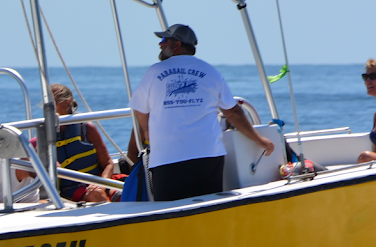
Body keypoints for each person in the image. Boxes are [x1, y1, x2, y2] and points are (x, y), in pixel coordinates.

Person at [129, 24, 275, 201]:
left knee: (171, 216)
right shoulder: (211, 72)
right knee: (207, 212)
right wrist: (260, 140)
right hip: (207, 157)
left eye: (164, 40)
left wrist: (146, 130)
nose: (160, 44)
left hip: (167, 159)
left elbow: (140, 110)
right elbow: (233, 112)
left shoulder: (154, 72)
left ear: (177, 45)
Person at [51, 83, 115, 202]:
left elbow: (108, 163)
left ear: (68, 103)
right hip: (69, 189)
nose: (49, 107)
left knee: (122, 193)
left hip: (95, 182)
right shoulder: (46, 135)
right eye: (47, 103)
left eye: (54, 101)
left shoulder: (86, 128)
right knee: (97, 195)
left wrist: (102, 184)